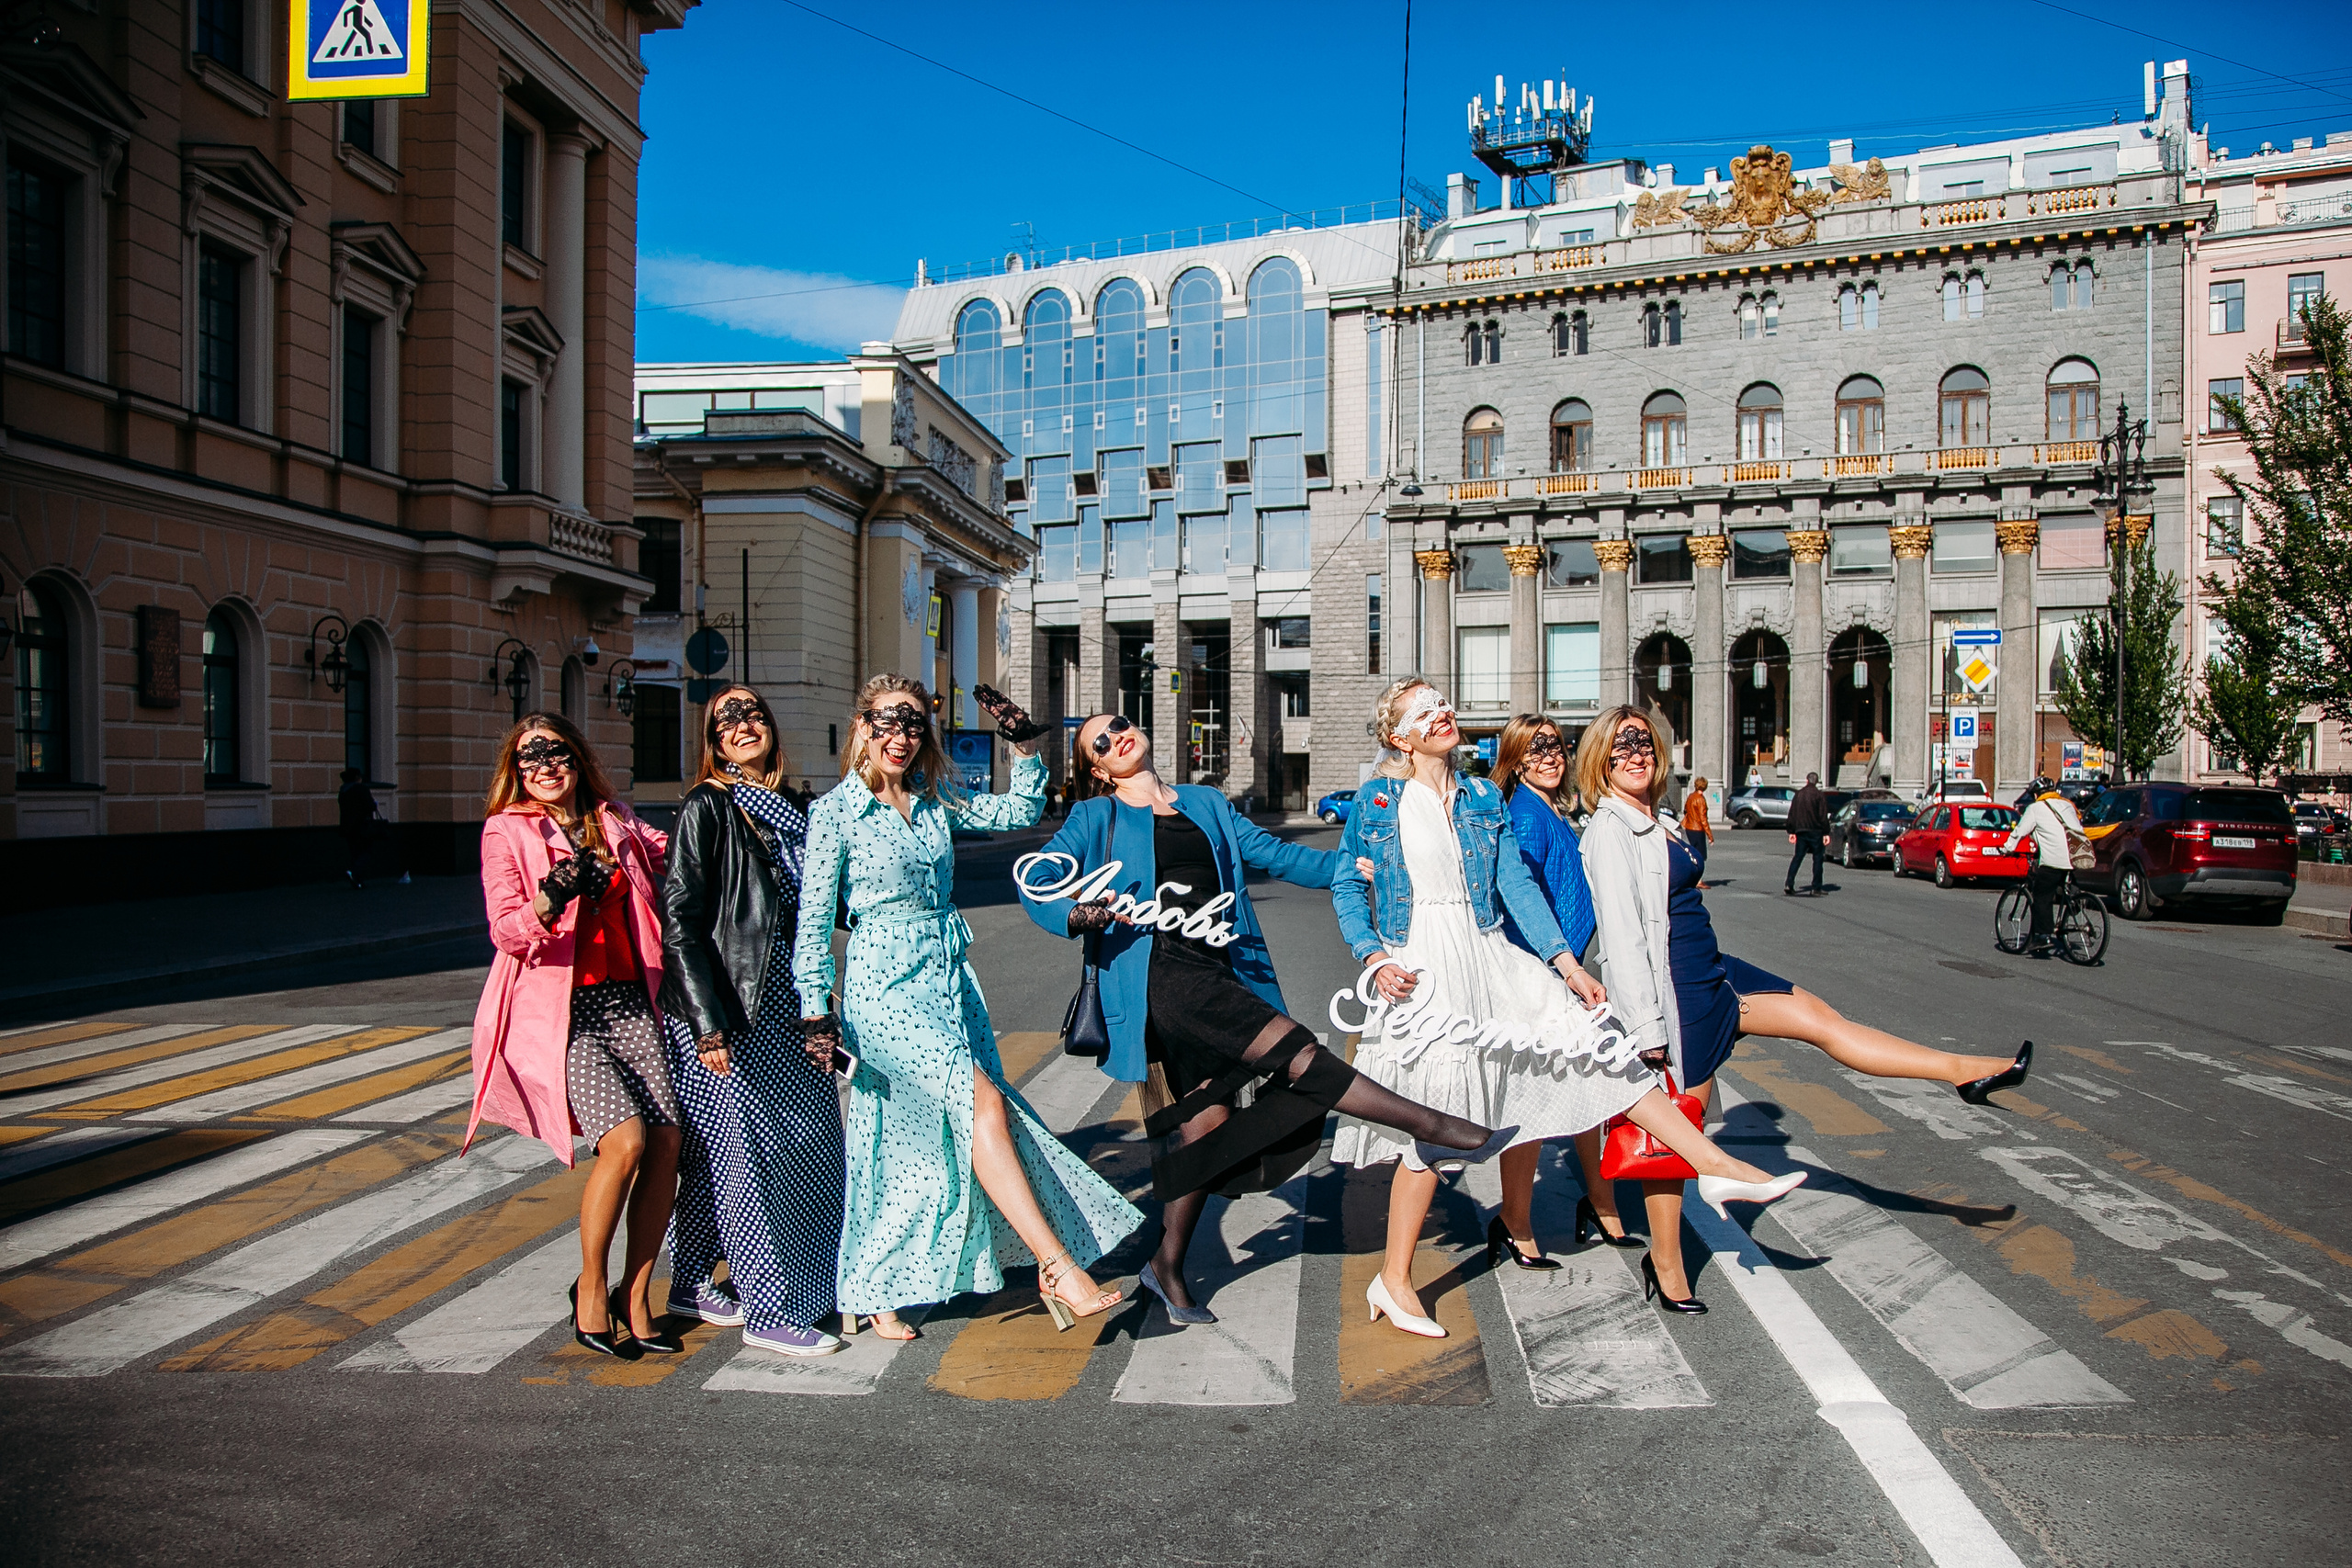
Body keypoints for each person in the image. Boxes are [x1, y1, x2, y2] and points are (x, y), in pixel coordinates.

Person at [1333, 678, 1805, 1338]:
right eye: (1424, 710)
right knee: (1434, 1130)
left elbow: (1513, 883)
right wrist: (1373, 956)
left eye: (1444, 700)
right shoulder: (1378, 799)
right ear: (1399, 735)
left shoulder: (1476, 796)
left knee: (1592, 1043)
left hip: (1489, 952)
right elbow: (1347, 885)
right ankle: (1396, 1277)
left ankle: (1712, 1161)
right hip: (1421, 967)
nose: (1442, 711)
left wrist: (1565, 963)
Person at [1023, 705, 1493, 1325]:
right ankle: (1434, 1124)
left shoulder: (1205, 801)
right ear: (1099, 768)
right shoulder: (1096, 815)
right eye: (1100, 743)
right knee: (1299, 1054)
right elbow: (1041, 878)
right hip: (1159, 974)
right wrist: (1081, 911)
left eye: (1118, 724)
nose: (1117, 738)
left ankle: (1164, 1265)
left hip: (1216, 968)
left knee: (1209, 1123)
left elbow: (1273, 854)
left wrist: (1349, 868)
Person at [1579, 704, 2030, 1311]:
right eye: (1621, 748)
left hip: (1716, 972)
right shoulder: (1609, 830)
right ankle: (1666, 1264)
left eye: (1644, 745)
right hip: (1674, 994)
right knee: (1676, 1138)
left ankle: (1963, 1071)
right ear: (1600, 761)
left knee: (1822, 1020)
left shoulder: (1656, 817)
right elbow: (1624, 938)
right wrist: (1646, 1030)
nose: (1636, 755)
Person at [795, 674, 1142, 1339]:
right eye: (888, 722)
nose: (901, 736)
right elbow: (813, 925)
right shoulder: (834, 813)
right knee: (981, 1103)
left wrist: (1026, 748)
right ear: (862, 726)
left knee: (910, 1138)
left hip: (949, 980)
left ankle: (876, 1286)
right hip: (882, 986)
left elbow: (1016, 812)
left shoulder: (932, 803)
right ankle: (1057, 1266)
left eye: (915, 724)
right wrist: (817, 1009)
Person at [469, 713, 682, 1360]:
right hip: (566, 1011)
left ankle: (635, 1293)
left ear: (577, 757)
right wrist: (549, 897)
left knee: (668, 1140)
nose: (546, 766)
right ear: (516, 771)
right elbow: (505, 926)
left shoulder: (613, 818)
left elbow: (676, 852)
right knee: (624, 1141)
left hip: (632, 999)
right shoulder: (505, 830)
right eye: (531, 759)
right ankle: (591, 1287)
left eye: (556, 752)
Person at [658, 684, 847, 1358]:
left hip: (793, 1006)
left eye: (753, 712)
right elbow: (678, 922)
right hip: (730, 1011)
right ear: (711, 740)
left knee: (799, 1149)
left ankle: (693, 1281)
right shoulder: (709, 805)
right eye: (726, 718)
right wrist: (707, 1023)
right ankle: (767, 1308)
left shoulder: (794, 811)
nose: (743, 724)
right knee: (747, 1159)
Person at [1485, 713, 1618, 1265]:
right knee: (1534, 1104)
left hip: (1563, 968)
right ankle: (1515, 1221)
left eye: (1557, 747)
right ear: (1515, 759)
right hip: (1542, 975)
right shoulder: (1526, 814)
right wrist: (1561, 967)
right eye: (1536, 749)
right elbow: (1518, 897)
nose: (1551, 756)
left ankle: (1602, 1202)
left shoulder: (1548, 810)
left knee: (1591, 1090)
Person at [2003, 776, 2089, 958]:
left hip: (2053, 860)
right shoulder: (2067, 805)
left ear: (2035, 794)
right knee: (2063, 886)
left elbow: (2020, 831)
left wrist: (2006, 849)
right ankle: (2076, 899)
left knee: (2042, 895)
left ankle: (2043, 935)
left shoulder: (2035, 808)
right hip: (2074, 857)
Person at [338, 768, 406, 887]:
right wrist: (374, 805)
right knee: (366, 850)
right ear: (357, 778)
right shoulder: (361, 789)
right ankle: (355, 873)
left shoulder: (343, 790)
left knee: (354, 852)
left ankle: (357, 879)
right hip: (362, 825)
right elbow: (369, 806)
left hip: (347, 826)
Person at [1785, 771, 1828, 895]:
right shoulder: (1819, 795)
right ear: (1817, 782)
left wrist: (1791, 831)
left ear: (1807, 780)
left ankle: (1789, 883)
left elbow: (1792, 813)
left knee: (1797, 857)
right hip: (1816, 831)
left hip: (1801, 830)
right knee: (1818, 859)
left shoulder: (1799, 794)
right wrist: (1826, 832)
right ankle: (1816, 887)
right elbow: (1823, 816)